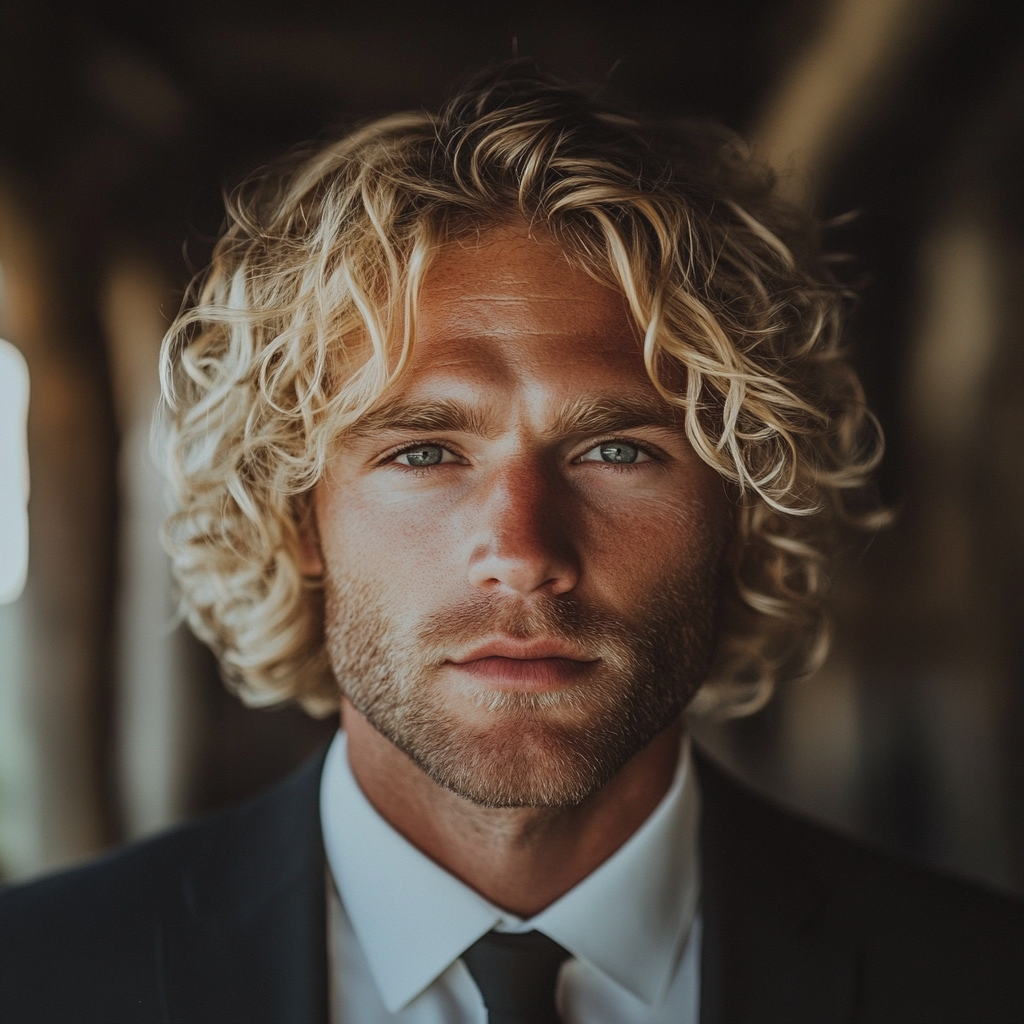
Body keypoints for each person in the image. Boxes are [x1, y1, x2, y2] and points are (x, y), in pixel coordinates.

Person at [1, 64, 1021, 1024]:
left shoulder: (976, 983)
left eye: (617, 447)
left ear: (740, 506)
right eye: (425, 452)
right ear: (296, 515)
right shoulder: (39, 979)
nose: (522, 551)